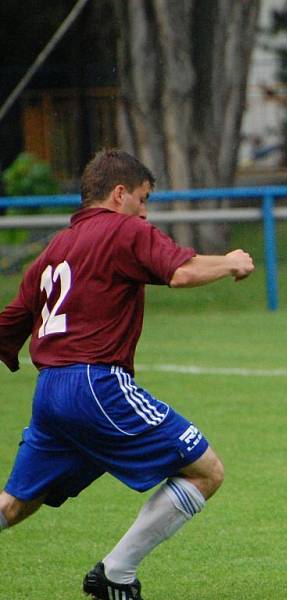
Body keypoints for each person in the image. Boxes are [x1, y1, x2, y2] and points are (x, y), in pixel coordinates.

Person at [0, 149, 255, 599]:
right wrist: (232, 260)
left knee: (16, 504)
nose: (146, 211)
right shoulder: (123, 229)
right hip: (95, 385)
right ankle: (116, 574)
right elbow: (180, 270)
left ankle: (115, 575)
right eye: (144, 198)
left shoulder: (54, 250)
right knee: (206, 470)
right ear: (120, 194)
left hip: (50, 393)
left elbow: (9, 323)